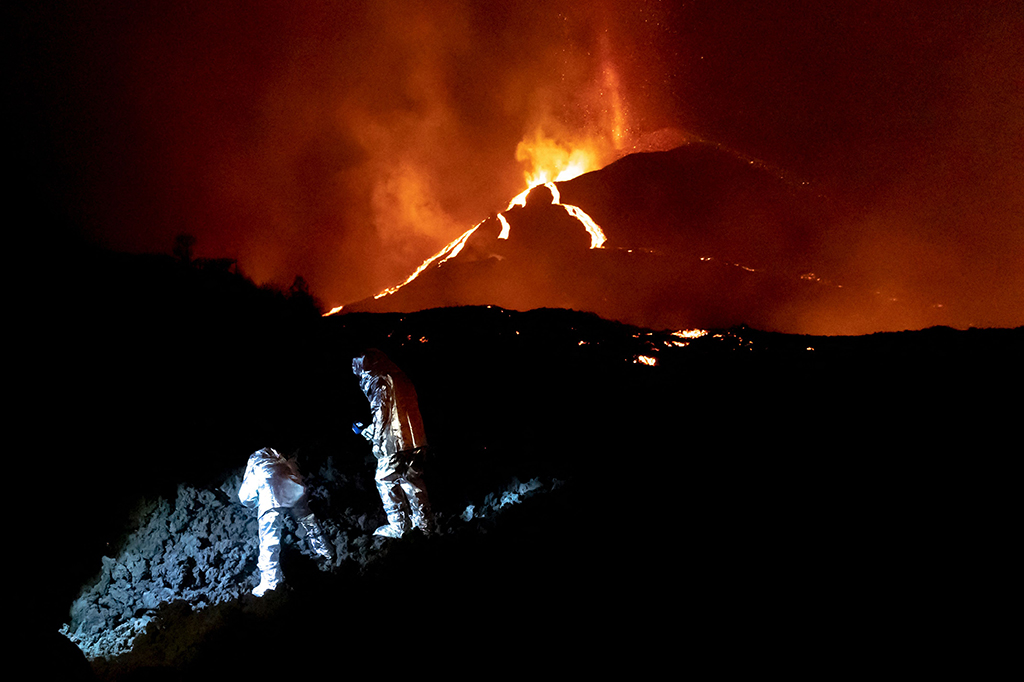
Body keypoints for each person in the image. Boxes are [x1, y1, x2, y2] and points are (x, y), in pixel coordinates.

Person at [352, 349, 435, 538]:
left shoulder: (379, 379)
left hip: (394, 443)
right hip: (416, 440)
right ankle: (425, 526)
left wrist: (377, 441)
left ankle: (399, 526)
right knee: (412, 481)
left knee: (385, 480)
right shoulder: (400, 376)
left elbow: (382, 413)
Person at [238, 447, 333, 596]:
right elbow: (298, 477)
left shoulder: (255, 466)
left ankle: (271, 584)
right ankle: (326, 551)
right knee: (309, 522)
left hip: (270, 499)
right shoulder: (282, 461)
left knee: (269, 541)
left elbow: (245, 497)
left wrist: (256, 503)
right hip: (294, 492)